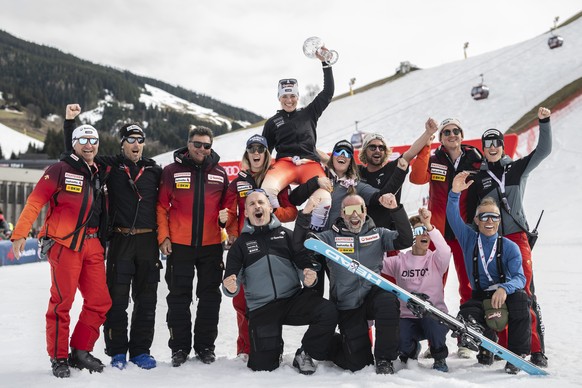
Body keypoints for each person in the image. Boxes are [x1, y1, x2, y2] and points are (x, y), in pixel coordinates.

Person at [63, 104, 163, 370]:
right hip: (120, 241)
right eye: (130, 140)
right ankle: (117, 351)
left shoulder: (154, 171)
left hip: (148, 242)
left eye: (140, 140)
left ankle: (141, 351)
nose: (136, 144)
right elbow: (75, 155)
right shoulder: (109, 167)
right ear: (122, 144)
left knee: (147, 300)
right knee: (117, 300)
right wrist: (69, 124)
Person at [11, 124, 112, 378]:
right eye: (83, 141)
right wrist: (20, 233)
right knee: (62, 303)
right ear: (74, 144)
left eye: (93, 141)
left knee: (100, 302)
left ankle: (80, 351)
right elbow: (35, 201)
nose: (89, 145)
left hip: (93, 246)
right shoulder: (59, 169)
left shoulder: (98, 172)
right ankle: (58, 357)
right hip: (65, 244)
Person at [469, 107, 552, 367]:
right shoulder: (479, 178)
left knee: (524, 293)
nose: (492, 147)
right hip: (491, 241)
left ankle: (536, 349)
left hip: (516, 237)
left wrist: (544, 122)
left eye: (496, 143)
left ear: (503, 147)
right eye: (487, 143)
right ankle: (497, 347)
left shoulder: (516, 169)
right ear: (483, 148)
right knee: (492, 293)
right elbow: (472, 214)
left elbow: (543, 151)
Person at [222, 189, 337, 374]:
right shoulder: (239, 246)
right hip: (262, 308)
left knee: (327, 311)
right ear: (246, 212)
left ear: (269, 207)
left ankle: (306, 352)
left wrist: (309, 277)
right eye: (251, 204)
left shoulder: (286, 235)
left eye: (261, 202)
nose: (257, 206)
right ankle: (274, 347)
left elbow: (303, 266)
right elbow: (231, 283)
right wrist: (230, 287)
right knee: (263, 367)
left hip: (292, 300)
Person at [314, 194, 413, 374]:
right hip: (347, 303)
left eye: (358, 210)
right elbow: (305, 245)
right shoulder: (329, 238)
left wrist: (395, 210)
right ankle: (332, 342)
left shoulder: (378, 234)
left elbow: (406, 240)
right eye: (349, 211)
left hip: (372, 295)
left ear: (365, 211)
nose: (354, 215)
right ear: (342, 214)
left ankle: (384, 359)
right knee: (358, 364)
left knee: (388, 302)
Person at [290, 139, 405, 295]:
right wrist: (315, 182)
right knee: (313, 293)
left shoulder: (355, 185)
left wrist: (399, 173)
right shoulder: (319, 174)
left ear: (351, 160)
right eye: (339, 151)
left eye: (347, 153)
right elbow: (294, 199)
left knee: (340, 293)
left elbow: (379, 196)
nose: (342, 155)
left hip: (336, 246)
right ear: (333, 156)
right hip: (314, 243)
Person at [409, 117, 483, 358]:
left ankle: (467, 339)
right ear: (441, 138)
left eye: (456, 131)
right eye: (447, 132)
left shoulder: (475, 159)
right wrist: (426, 145)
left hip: (464, 233)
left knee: (468, 286)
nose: (452, 135)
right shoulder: (434, 159)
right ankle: (435, 341)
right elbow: (417, 178)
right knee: (433, 287)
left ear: (462, 135)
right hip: (437, 234)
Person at [157, 126, 230, 367]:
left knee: (210, 298)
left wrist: (228, 228)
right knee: (179, 297)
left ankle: (205, 347)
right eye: (197, 144)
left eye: (206, 145)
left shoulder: (220, 174)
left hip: (211, 246)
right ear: (188, 144)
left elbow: (229, 210)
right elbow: (161, 207)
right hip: (180, 245)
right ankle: (179, 347)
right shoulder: (171, 171)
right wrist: (164, 237)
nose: (201, 149)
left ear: (211, 147)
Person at [447, 172, 531, 374]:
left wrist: (504, 288)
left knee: (521, 300)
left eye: (494, 216)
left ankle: (516, 356)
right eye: (484, 216)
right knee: (467, 314)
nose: (489, 221)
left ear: (499, 220)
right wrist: (455, 193)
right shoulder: (468, 238)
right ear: (476, 219)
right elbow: (452, 217)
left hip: (505, 295)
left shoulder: (510, 247)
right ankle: (485, 343)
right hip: (480, 295)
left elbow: (520, 277)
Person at [224, 134, 298, 361]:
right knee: (242, 300)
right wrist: (232, 233)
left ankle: (270, 345)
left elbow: (291, 211)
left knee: (275, 295)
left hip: (273, 241)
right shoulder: (238, 181)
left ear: (266, 153)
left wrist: (271, 212)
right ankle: (244, 348)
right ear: (247, 153)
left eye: (260, 149)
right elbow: (229, 213)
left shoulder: (276, 179)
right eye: (252, 149)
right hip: (245, 244)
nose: (256, 153)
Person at [261, 49, 334, 226]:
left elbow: (328, 92)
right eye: (284, 96)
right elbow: (264, 152)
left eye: (292, 96)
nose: (289, 100)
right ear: (279, 98)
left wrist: (326, 64)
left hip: (309, 164)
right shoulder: (272, 122)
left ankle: (314, 229)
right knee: (266, 191)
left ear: (297, 97)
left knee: (324, 199)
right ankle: (277, 223)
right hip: (284, 164)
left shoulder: (309, 113)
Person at [382, 208, 451, 372]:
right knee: (398, 335)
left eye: (426, 231)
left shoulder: (436, 259)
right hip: (407, 317)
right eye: (419, 231)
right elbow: (377, 262)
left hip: (434, 315)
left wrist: (429, 225)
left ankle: (439, 357)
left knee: (432, 323)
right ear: (411, 236)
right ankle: (410, 350)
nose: (424, 235)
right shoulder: (399, 261)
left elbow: (445, 250)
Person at [358, 121, 438, 230]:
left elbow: (411, 152)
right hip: (365, 232)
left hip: (390, 233)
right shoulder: (358, 171)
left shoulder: (392, 168)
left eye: (381, 148)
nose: (377, 150)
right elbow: (335, 163)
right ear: (364, 151)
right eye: (372, 147)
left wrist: (428, 133)